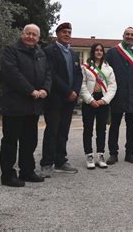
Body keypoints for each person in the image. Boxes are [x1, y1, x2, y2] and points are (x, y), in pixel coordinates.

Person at [0, 24, 51, 187]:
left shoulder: (40, 53)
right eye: (28, 33)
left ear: (38, 38)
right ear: (22, 34)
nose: (31, 37)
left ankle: (27, 171)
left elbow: (48, 73)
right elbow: (12, 74)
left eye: (34, 35)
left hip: (33, 107)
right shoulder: (11, 50)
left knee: (30, 141)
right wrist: (31, 91)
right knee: (10, 142)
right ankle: (8, 175)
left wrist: (45, 89)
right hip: (14, 105)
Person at [40, 22, 83, 177]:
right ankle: (46, 163)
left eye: (69, 32)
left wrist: (76, 92)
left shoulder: (73, 53)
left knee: (63, 131)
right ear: (57, 34)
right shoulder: (49, 51)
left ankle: (60, 160)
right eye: (64, 32)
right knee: (52, 130)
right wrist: (68, 91)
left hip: (70, 100)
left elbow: (79, 74)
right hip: (55, 99)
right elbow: (52, 74)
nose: (67, 34)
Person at [106, 27, 133, 164]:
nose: (129, 36)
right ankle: (113, 153)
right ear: (123, 35)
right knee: (115, 126)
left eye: (132, 35)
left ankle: (129, 153)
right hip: (117, 95)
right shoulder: (113, 52)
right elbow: (106, 74)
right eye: (127, 34)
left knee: (132, 127)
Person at [80, 43, 117, 169]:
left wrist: (104, 100)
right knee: (88, 129)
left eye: (101, 50)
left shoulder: (108, 68)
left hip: (103, 101)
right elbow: (82, 84)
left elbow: (112, 86)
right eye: (96, 50)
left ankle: (100, 155)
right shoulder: (85, 67)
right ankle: (89, 155)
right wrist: (90, 100)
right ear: (92, 51)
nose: (99, 52)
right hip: (89, 100)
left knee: (101, 129)